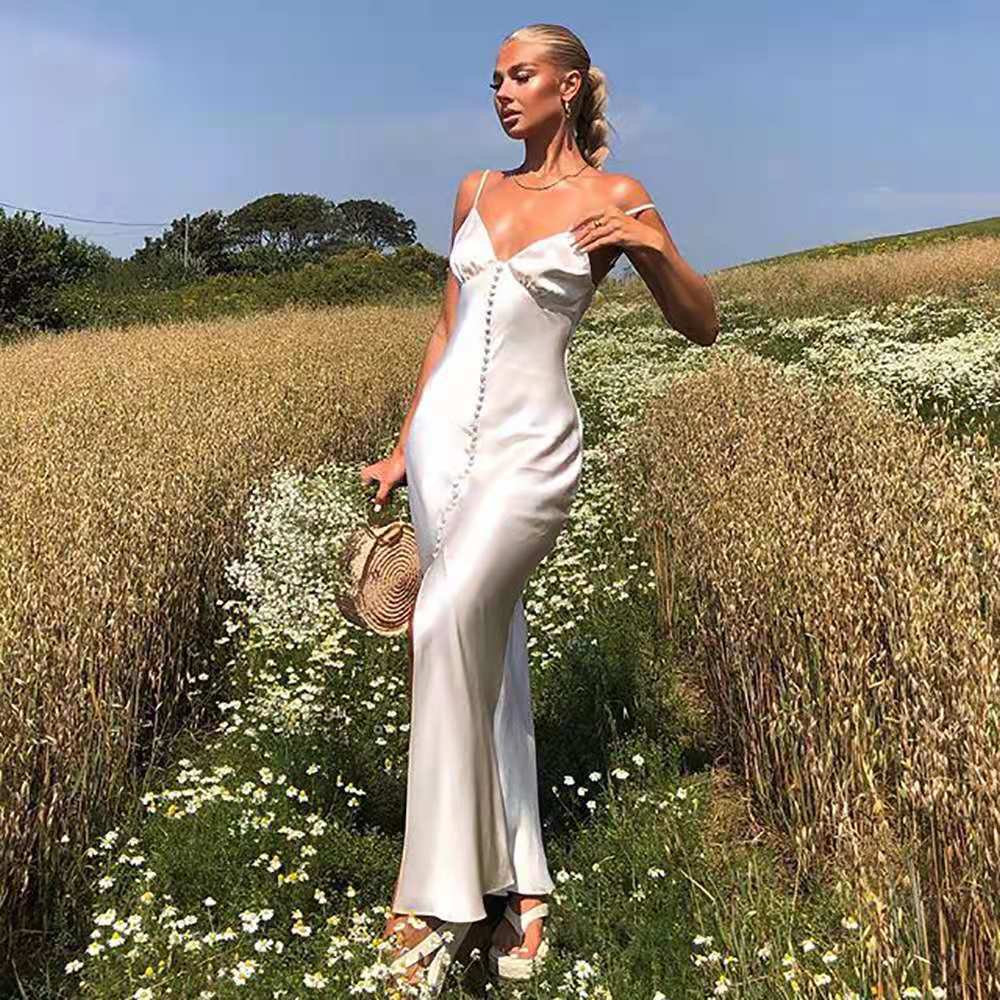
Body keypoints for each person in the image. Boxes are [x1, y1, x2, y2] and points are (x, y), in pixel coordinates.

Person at [359, 21, 718, 996]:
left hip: (532, 453)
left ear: (566, 87)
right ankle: (523, 883)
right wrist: (401, 444)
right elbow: (446, 326)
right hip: (440, 452)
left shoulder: (613, 197)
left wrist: (649, 246)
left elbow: (700, 325)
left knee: (439, 616)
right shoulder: (476, 191)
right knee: (488, 651)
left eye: (520, 76)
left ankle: (427, 900)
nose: (502, 92)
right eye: (494, 79)